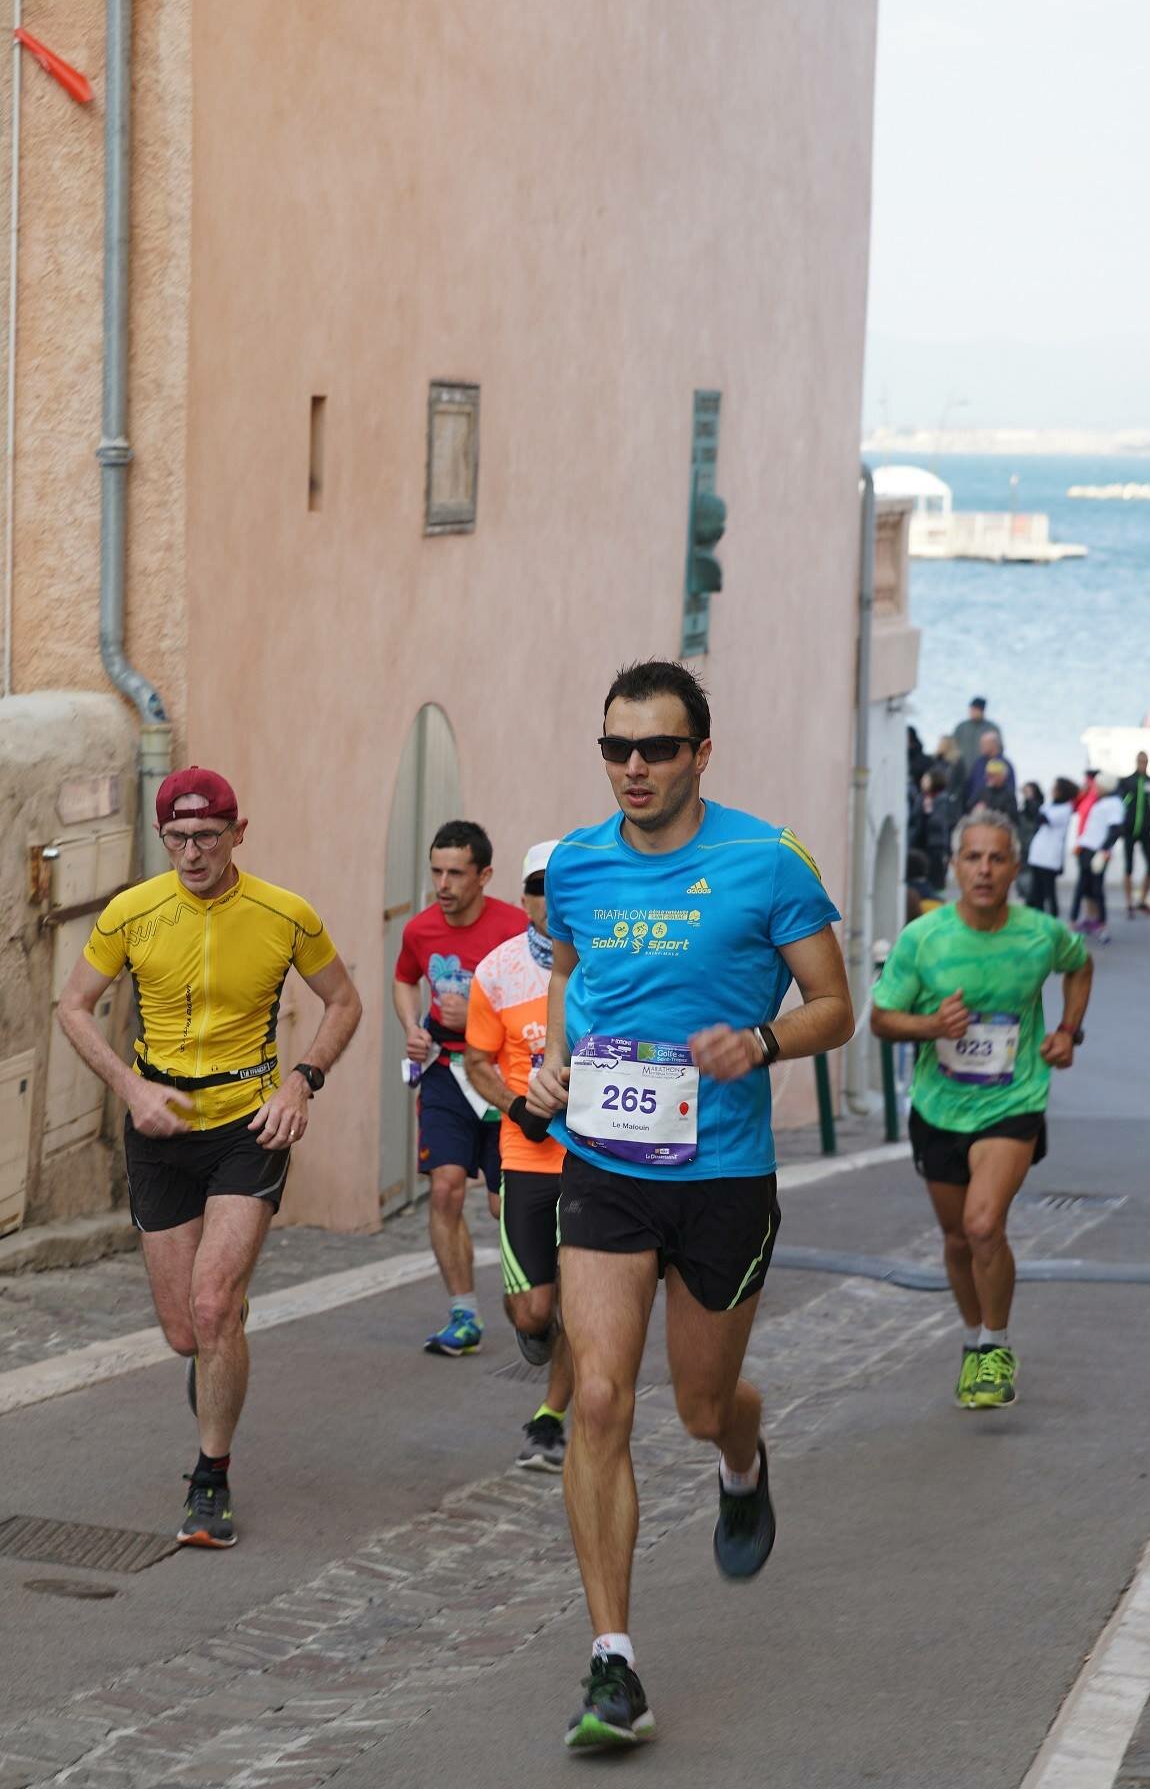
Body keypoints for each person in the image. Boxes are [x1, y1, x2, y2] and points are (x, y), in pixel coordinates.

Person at [525, 658, 853, 1752]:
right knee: (599, 1398)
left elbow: (834, 1005)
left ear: (700, 754)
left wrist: (760, 1040)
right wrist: (555, 1063)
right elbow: (570, 978)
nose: (634, 767)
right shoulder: (576, 865)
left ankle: (741, 1463)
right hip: (605, 1164)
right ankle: (613, 1662)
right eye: (616, 747)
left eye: (657, 748)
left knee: (702, 1404)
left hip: (722, 1175)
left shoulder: (768, 861)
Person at [56, 767, 362, 1549]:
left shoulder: (285, 914)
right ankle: (218, 1330)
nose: (192, 853)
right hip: (158, 1127)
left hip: (246, 1124)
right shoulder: (131, 912)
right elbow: (73, 1006)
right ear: (163, 838)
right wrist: (130, 1087)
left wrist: (301, 1082)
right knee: (185, 1333)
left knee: (214, 1303)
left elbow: (343, 1000)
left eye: (207, 836)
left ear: (237, 833)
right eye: (178, 838)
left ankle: (211, 1478)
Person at [871, 807, 1092, 1411]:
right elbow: (882, 1020)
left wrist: (1068, 1031)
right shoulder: (924, 938)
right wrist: (931, 1025)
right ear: (955, 866)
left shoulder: (1041, 934)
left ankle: (996, 1343)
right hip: (939, 1106)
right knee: (955, 1239)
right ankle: (974, 1340)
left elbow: (1079, 965)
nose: (985, 870)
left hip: (1013, 1101)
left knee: (982, 1224)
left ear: (1015, 868)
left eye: (997, 858)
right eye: (973, 858)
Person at [393, 821, 526, 1354]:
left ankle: (535, 1302)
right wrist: (412, 1027)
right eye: (436, 872)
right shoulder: (420, 930)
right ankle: (464, 1314)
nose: (442, 885)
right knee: (445, 1186)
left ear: (484, 875)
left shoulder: (515, 929)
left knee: (502, 1203)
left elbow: (540, 1001)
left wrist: (475, 1015)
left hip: (501, 1075)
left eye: (455, 873)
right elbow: (405, 978)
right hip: (446, 1073)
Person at [463, 840, 572, 1471]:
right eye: (538, 888)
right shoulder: (498, 971)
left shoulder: (605, 965)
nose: (549, 899)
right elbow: (477, 1061)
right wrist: (516, 1107)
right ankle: (536, 1329)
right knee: (534, 1310)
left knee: (581, 1302)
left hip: (594, 1161)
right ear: (523, 898)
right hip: (526, 1157)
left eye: (560, 887)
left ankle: (550, 1417)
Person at [1072, 772, 1123, 940]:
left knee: (1095, 888)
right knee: (1085, 887)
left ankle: (1100, 924)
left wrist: (1103, 850)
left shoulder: (1113, 804)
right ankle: (1088, 919)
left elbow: (1115, 830)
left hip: (1096, 850)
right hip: (1087, 847)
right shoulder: (1102, 801)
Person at [1118, 752, 1150, 918]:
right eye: (1140, 761)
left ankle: (1142, 899)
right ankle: (1129, 902)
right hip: (1129, 830)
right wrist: (1121, 825)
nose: (1142, 764)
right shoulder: (1126, 781)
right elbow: (1118, 804)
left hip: (1145, 830)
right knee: (1128, 866)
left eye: (1145, 762)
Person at [1024, 777, 1077, 917]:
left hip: (1049, 857)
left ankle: (1053, 919)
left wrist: (1031, 798)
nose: (1052, 790)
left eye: (1055, 787)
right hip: (1038, 854)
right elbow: (1033, 815)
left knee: (1049, 892)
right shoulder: (1050, 805)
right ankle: (1037, 919)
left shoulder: (1065, 809)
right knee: (1036, 892)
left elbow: (1043, 818)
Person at [911, 769, 953, 893]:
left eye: (926, 779)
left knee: (935, 882)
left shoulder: (943, 800)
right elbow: (914, 819)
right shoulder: (921, 798)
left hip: (935, 845)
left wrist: (929, 811)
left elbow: (941, 823)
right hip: (919, 844)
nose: (923, 781)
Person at [965, 730, 1016, 809]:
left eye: (984, 744)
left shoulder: (1004, 764)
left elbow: (1009, 791)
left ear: (994, 744)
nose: (981, 747)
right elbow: (970, 785)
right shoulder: (978, 763)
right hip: (975, 809)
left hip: (997, 811)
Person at [952, 696, 1002, 775]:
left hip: (983, 772)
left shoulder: (991, 728)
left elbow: (999, 750)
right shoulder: (961, 727)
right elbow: (952, 747)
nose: (972, 712)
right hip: (962, 771)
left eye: (975, 710)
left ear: (982, 711)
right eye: (971, 710)